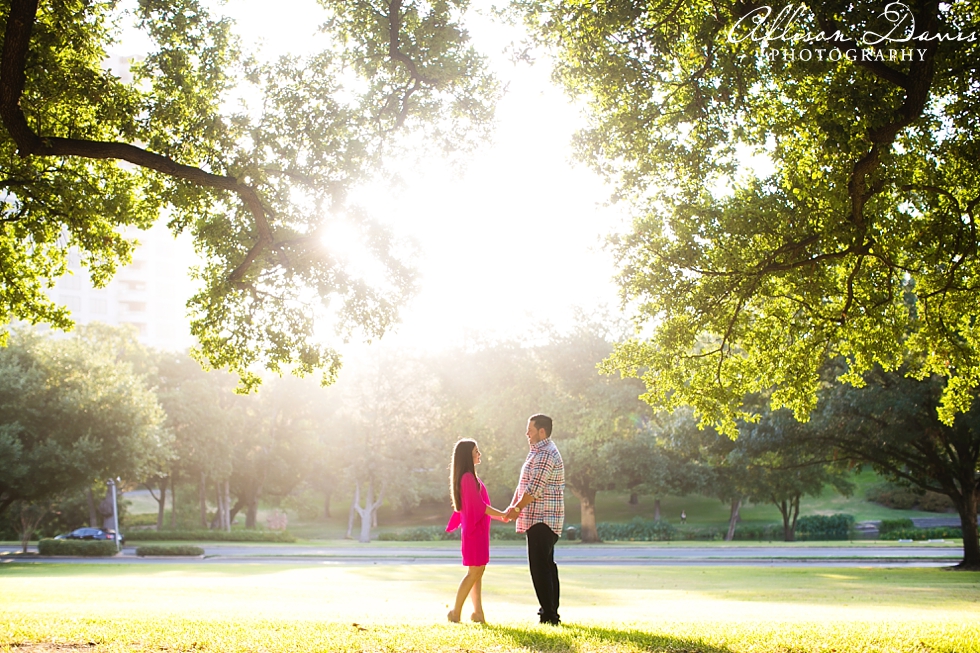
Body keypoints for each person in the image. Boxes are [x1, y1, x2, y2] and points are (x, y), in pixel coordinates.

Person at [505, 414, 565, 626]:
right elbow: (524, 485)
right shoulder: (537, 453)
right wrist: (513, 507)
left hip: (543, 519)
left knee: (540, 567)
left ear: (542, 431)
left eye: (530, 430)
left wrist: (517, 508)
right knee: (547, 565)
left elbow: (534, 489)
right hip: (538, 518)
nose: (527, 434)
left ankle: (548, 615)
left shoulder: (546, 454)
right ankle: (550, 612)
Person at [445, 438, 509, 624]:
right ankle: (455, 612)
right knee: (474, 573)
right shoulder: (467, 478)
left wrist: (501, 515)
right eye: (476, 451)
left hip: (479, 533)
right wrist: (503, 515)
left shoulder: (472, 478)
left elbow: (481, 506)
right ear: (468, 455)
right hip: (474, 533)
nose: (479, 454)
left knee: (478, 572)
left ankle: (478, 613)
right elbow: (479, 506)